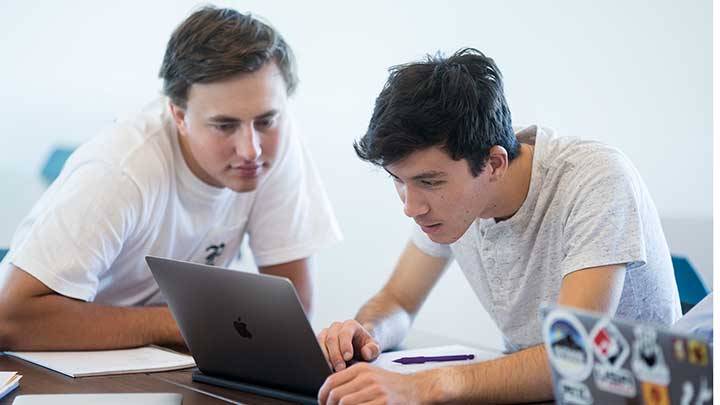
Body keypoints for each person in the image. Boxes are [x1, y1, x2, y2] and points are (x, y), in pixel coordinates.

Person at [317, 48, 680, 403]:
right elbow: (398, 300)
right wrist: (366, 334)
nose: (411, 207)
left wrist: (424, 386)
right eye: (399, 180)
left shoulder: (596, 179)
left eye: (429, 182)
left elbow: (573, 357)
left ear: (494, 164)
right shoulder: (452, 193)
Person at [0, 6, 341, 351]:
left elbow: (293, 314)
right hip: (65, 366)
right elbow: (11, 318)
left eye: (267, 120)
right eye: (225, 126)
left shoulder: (274, 147)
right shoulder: (121, 169)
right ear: (178, 115)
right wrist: (184, 321)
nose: (251, 149)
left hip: (168, 362)